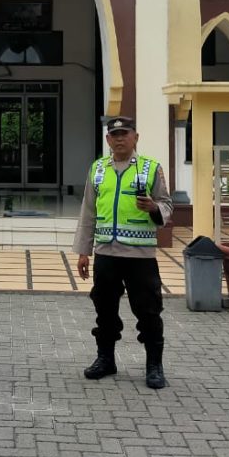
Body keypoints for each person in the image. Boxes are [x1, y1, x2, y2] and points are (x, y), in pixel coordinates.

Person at [72, 115, 173, 390]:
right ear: (107, 140)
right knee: (104, 311)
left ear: (135, 137)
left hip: (140, 256)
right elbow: (88, 212)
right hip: (106, 254)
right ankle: (105, 359)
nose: (119, 139)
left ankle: (154, 366)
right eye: (114, 135)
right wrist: (83, 251)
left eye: (125, 134)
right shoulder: (98, 169)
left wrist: (153, 208)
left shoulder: (150, 169)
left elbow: (167, 205)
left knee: (149, 312)